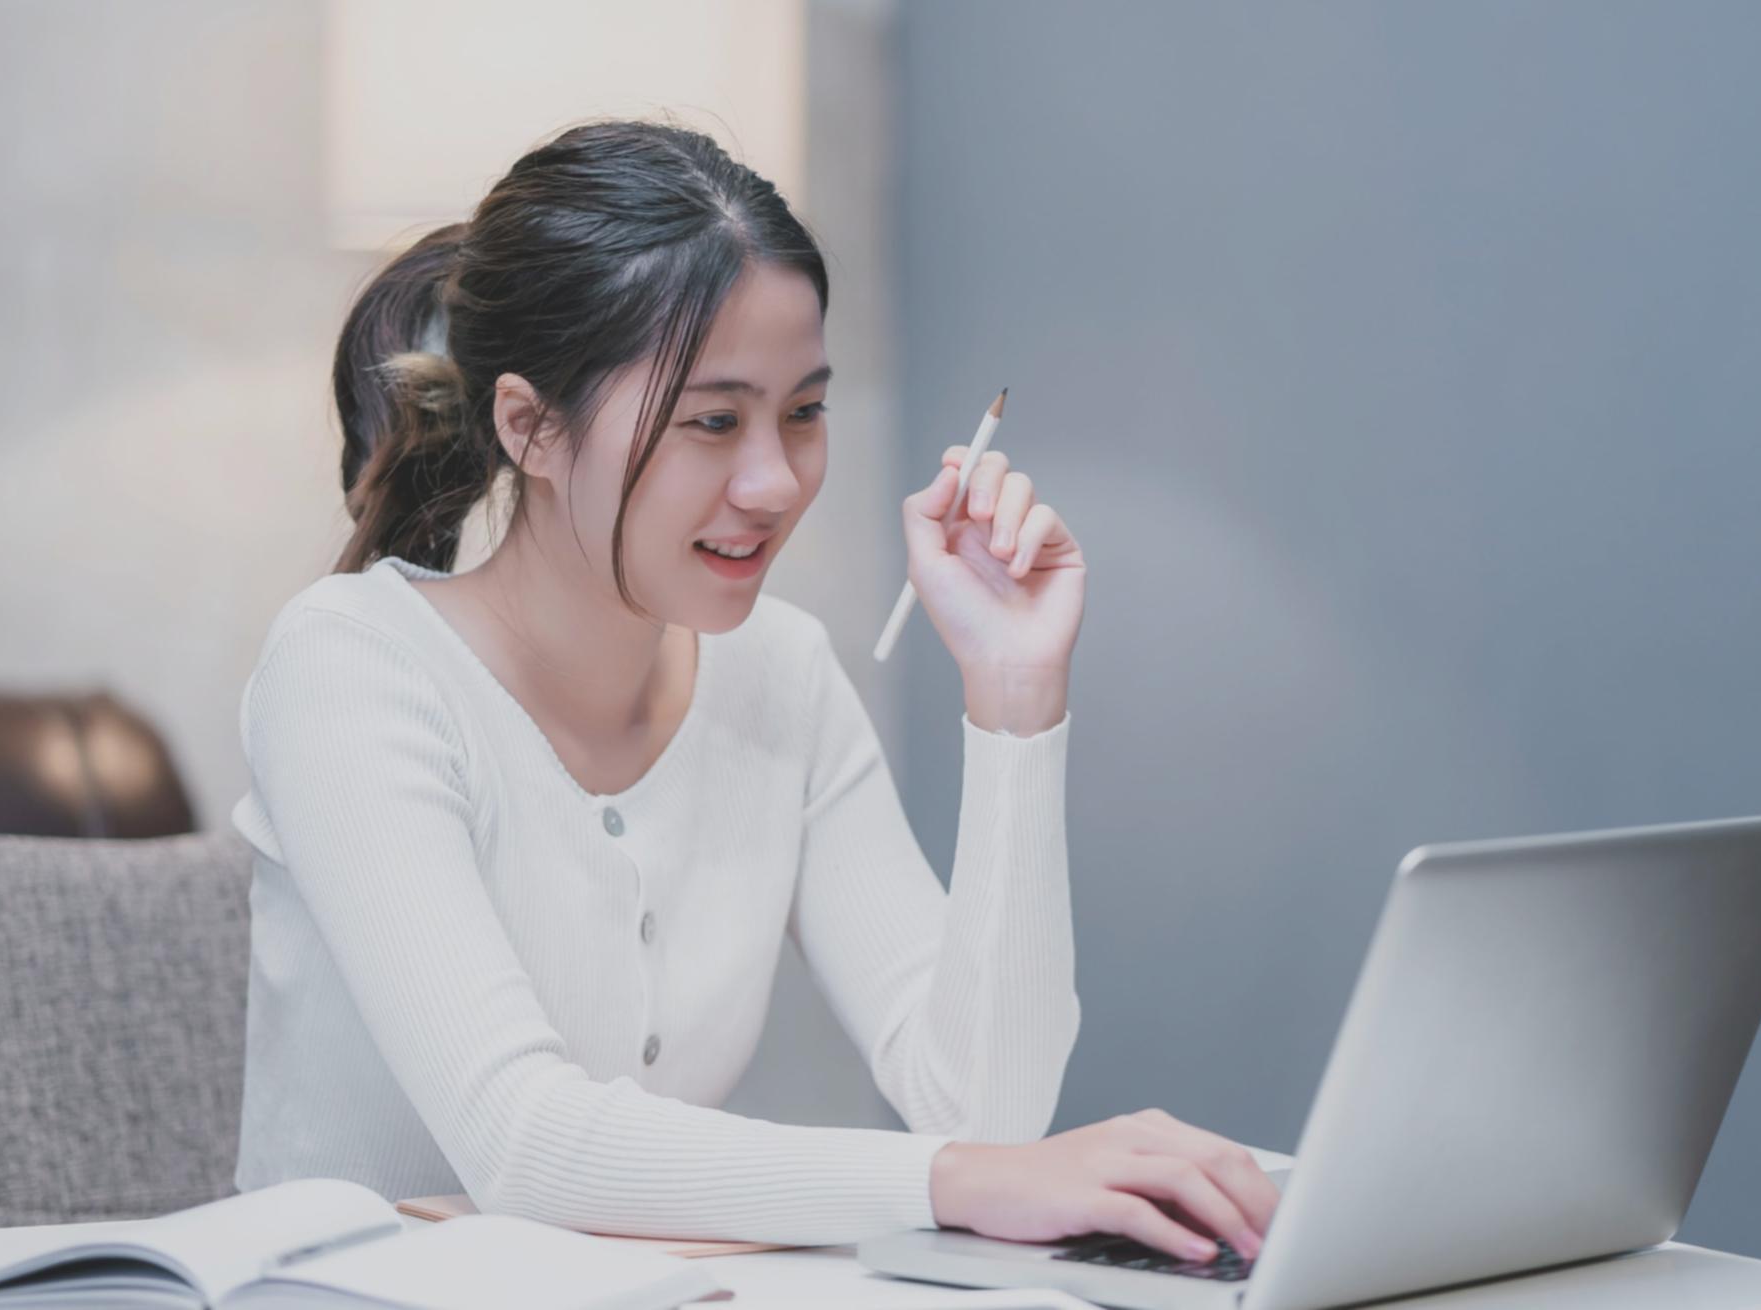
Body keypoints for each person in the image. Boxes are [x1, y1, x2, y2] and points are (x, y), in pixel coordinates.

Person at [230, 118, 1277, 1265]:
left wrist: (1014, 691)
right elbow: (523, 1141)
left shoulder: (780, 673)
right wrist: (950, 1180)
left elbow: (981, 1111)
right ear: (529, 425)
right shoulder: (350, 667)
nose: (775, 480)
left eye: (804, 410)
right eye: (714, 421)